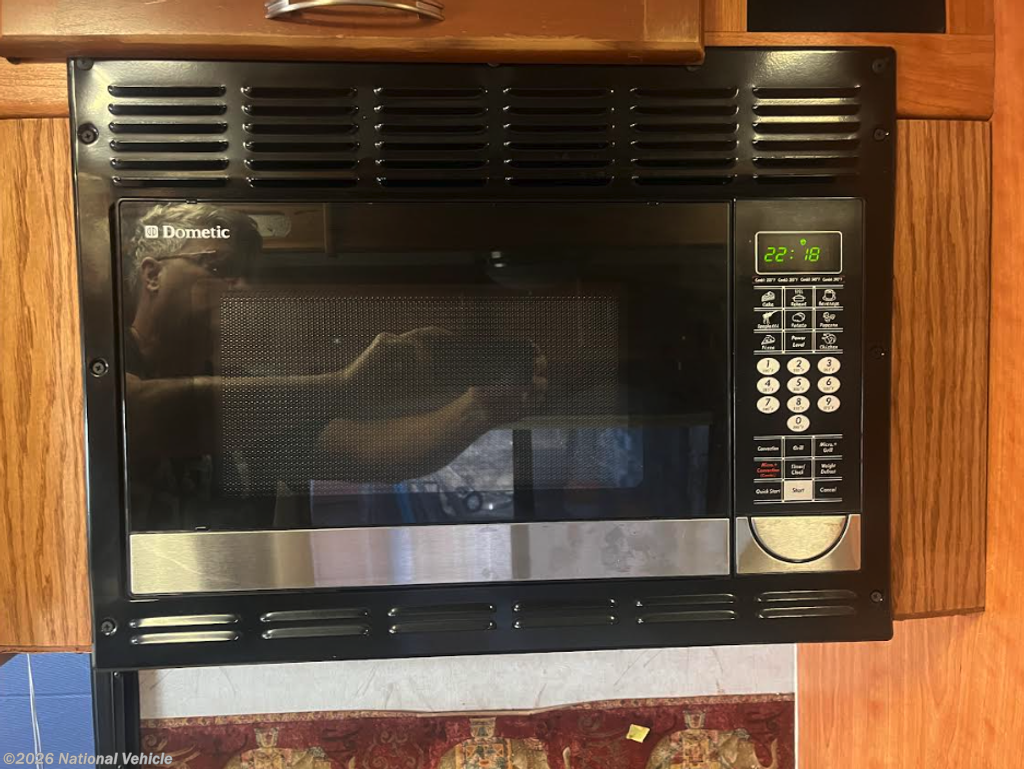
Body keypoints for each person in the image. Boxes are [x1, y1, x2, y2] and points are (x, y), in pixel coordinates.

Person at [123, 203, 546, 530]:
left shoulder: (243, 386)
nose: (243, 287)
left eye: (247, 274)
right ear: (153, 274)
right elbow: (134, 415)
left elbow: (371, 454)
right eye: (219, 267)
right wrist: (344, 386)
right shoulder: (107, 359)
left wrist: (478, 410)